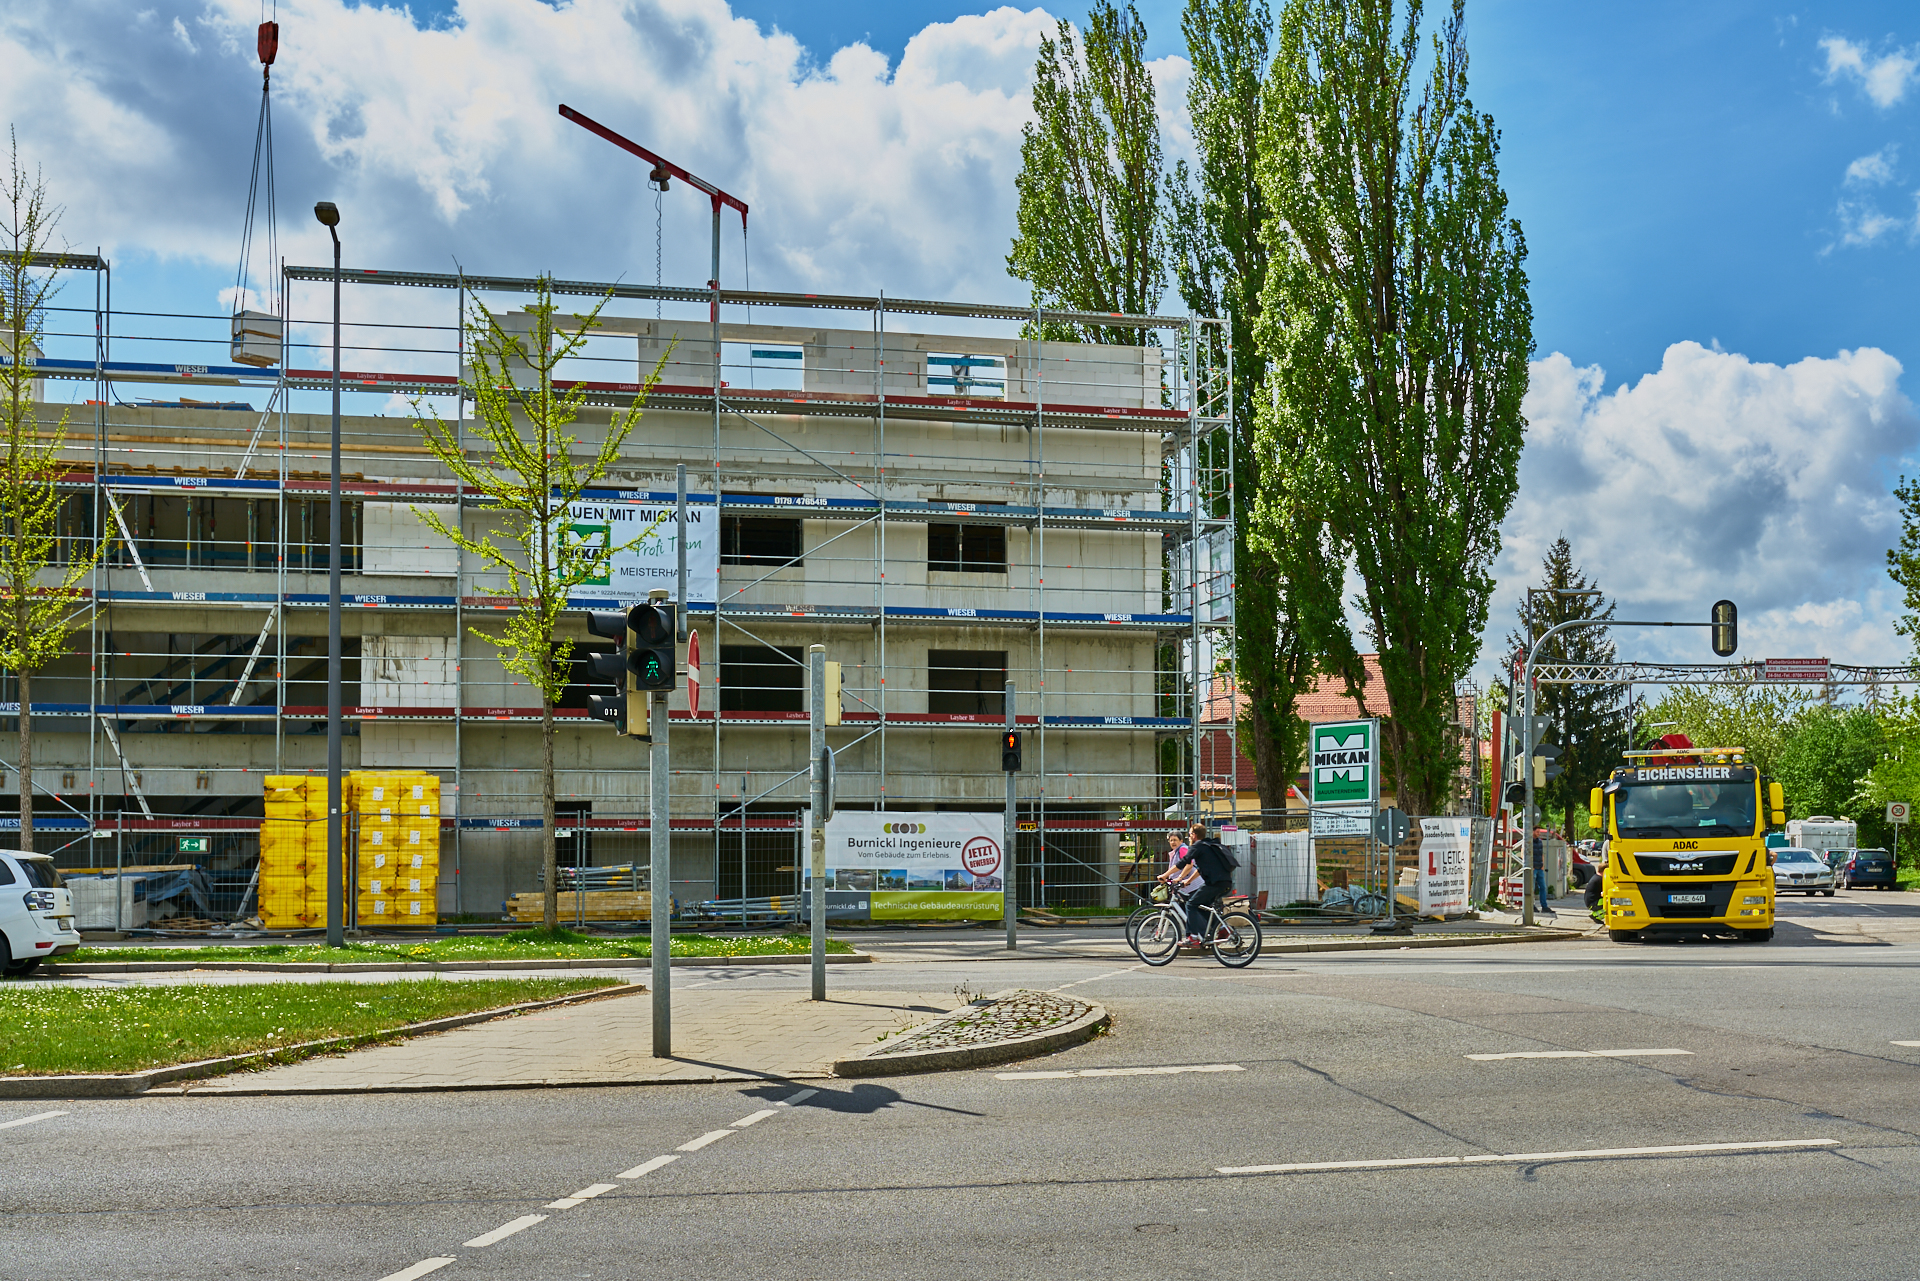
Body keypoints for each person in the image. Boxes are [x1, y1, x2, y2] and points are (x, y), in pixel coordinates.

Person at [1165, 822, 1235, 947]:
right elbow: (1200, 869)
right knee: (1203, 906)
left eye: (1190, 834)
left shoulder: (1197, 846)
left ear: (1194, 835)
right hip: (1224, 881)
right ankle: (1223, 929)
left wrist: (1165, 875)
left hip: (1214, 883)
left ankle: (1193, 937)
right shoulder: (1207, 845)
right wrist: (1188, 880)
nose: (1189, 836)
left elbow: (1184, 862)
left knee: (1191, 904)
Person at [1532, 827, 1554, 915]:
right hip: (1533, 868)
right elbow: (1523, 853)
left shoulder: (1540, 841)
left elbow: (1541, 853)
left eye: (1539, 832)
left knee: (1543, 887)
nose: (1539, 833)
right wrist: (1530, 865)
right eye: (1537, 832)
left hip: (1539, 867)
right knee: (1532, 888)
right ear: (1533, 831)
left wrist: (1543, 865)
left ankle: (1544, 906)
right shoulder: (1528, 841)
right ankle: (1531, 905)